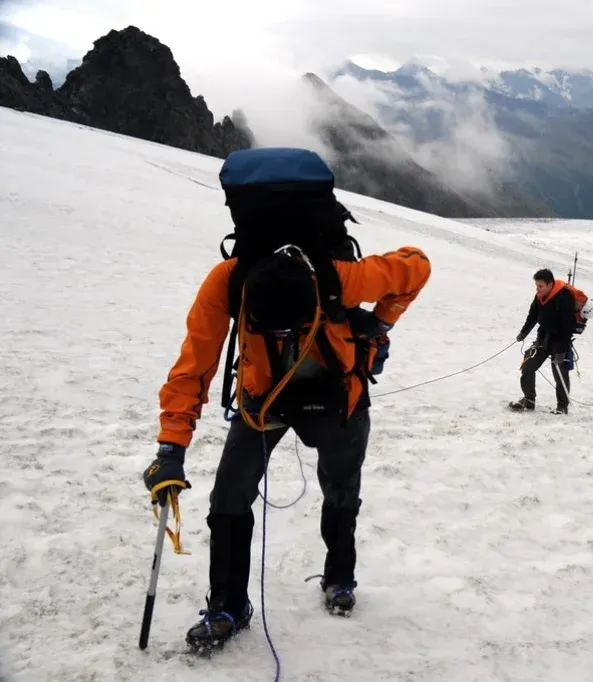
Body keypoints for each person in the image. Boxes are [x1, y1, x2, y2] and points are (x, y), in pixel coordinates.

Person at [141, 147, 432, 651]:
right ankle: (247, 601)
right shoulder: (327, 276)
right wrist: (171, 445)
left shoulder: (246, 279)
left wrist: (380, 323)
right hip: (311, 402)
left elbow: (197, 362)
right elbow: (416, 265)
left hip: (280, 401)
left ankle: (307, 586)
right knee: (289, 496)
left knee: (260, 498)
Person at [508, 268, 577, 414]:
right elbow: (532, 316)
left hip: (560, 342)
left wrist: (562, 350)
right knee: (527, 367)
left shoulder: (564, 298)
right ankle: (529, 400)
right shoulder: (539, 297)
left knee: (560, 374)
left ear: (550, 284)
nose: (537, 289)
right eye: (536, 286)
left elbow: (568, 326)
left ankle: (562, 407)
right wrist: (523, 332)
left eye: (540, 286)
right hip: (543, 339)